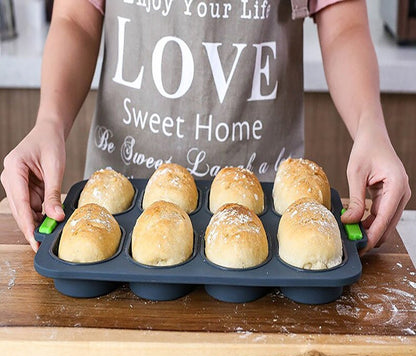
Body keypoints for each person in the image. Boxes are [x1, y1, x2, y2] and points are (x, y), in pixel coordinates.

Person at [1, 0, 411, 255]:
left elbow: (343, 23)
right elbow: (76, 16)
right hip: (118, 203)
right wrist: (49, 124)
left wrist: (370, 126)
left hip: (267, 207)